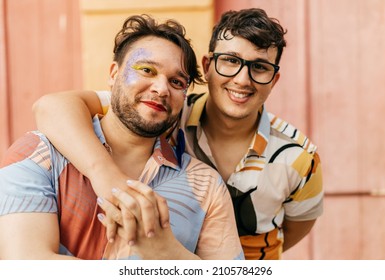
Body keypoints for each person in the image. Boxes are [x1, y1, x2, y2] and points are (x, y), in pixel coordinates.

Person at [32, 8, 323, 260]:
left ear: (274, 79)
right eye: (231, 61)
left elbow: (296, 228)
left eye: (259, 67)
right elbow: (51, 107)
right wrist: (105, 174)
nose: (242, 79)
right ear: (208, 66)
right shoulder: (163, 109)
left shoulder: (299, 157)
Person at [0, 14, 244, 260]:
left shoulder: (206, 186)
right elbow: (23, 265)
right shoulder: (39, 154)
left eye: (176, 81)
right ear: (114, 74)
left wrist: (169, 254)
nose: (161, 89)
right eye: (146, 70)